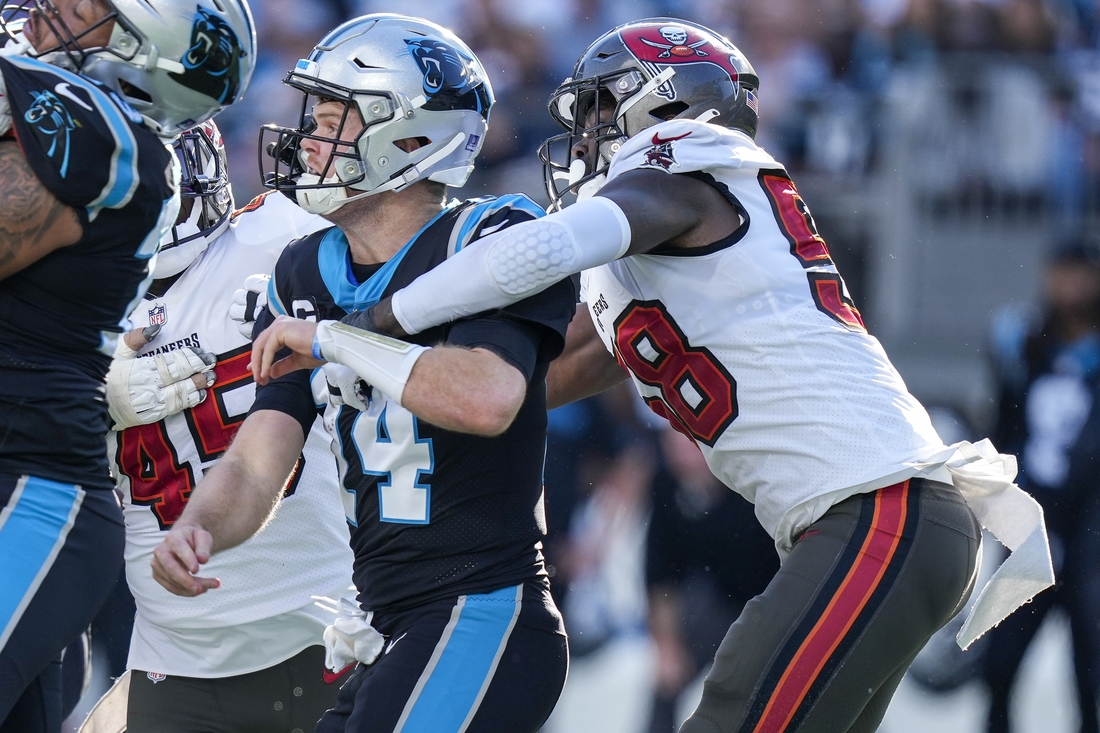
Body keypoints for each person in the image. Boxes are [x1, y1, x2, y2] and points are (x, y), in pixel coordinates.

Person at [304, 17, 1053, 733]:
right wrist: (393, 380)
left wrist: (369, 324)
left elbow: (531, 253)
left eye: (599, 108)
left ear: (663, 102)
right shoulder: (658, 258)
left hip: (879, 514)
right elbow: (532, 381)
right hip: (881, 525)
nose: (584, 135)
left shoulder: (688, 165)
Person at [151, 15, 574, 733]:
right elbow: (259, 464)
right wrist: (198, 527)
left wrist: (336, 340)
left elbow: (487, 395)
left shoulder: (490, 236)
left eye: (331, 120)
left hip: (481, 607)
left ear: (409, 137)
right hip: (387, 622)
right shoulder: (303, 269)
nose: (307, 139)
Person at [0, 1, 255, 731]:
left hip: (29, 490)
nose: (55, 4)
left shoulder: (113, 140)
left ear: (146, 56)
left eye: (91, 5)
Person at [99, 121, 355, 732]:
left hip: (329, 622)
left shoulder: (282, 238)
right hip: (174, 653)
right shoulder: (64, 297)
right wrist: (81, 391)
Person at [983, 237, 1100, 733]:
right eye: (1061, 271)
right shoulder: (1029, 343)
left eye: (1079, 273)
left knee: (1087, 679)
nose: (1068, 284)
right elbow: (1005, 426)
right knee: (998, 666)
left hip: (1090, 534)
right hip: (1033, 529)